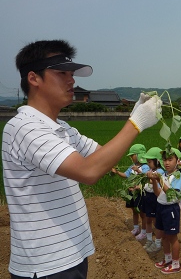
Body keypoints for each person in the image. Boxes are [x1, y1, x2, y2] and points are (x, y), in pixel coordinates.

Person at [2, 40, 161, 278]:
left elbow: (102, 156)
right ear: (34, 78)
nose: (72, 80)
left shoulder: (62, 129)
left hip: (71, 256)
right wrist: (136, 123)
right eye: (62, 73)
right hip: (47, 265)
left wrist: (133, 116)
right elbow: (89, 171)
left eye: (72, 73)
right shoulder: (24, 127)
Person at [148, 148, 181, 274]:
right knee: (163, 235)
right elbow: (158, 193)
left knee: (172, 237)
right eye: (164, 160)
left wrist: (159, 180)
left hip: (171, 209)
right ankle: (167, 258)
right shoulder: (163, 175)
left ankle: (175, 264)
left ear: (177, 161)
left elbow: (172, 194)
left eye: (170, 159)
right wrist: (153, 181)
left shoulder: (178, 176)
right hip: (161, 206)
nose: (167, 163)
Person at [111, 144, 149, 236]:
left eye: (133, 155)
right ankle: (136, 228)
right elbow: (126, 175)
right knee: (134, 210)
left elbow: (146, 177)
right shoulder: (132, 166)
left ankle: (144, 232)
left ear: (139, 155)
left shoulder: (145, 167)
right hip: (132, 192)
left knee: (142, 213)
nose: (131, 157)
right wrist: (117, 172)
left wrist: (138, 171)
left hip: (140, 193)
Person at [140, 147, 164, 252]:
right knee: (148, 219)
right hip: (148, 196)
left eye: (150, 161)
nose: (148, 164)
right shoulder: (151, 170)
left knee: (156, 221)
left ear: (157, 161)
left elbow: (154, 180)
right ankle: (149, 240)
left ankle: (158, 242)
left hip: (155, 197)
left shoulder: (160, 171)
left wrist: (147, 177)